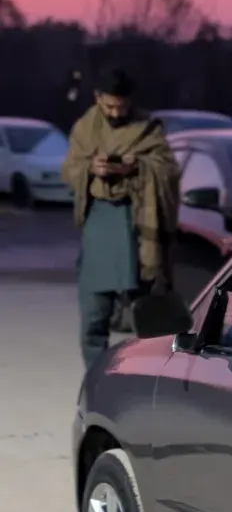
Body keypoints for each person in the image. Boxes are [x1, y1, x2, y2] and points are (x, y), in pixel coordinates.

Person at [61, 67, 180, 368]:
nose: (116, 113)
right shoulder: (84, 129)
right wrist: (92, 168)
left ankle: (151, 375)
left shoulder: (147, 128)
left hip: (137, 224)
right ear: (97, 98)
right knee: (94, 313)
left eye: (121, 106)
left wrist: (137, 167)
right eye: (110, 106)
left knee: (148, 311)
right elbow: (69, 171)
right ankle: (96, 377)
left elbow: (168, 169)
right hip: (99, 224)